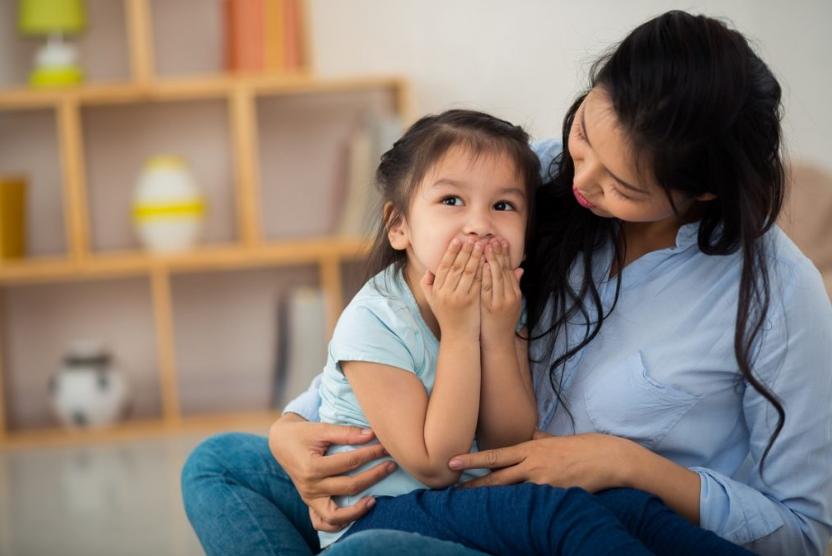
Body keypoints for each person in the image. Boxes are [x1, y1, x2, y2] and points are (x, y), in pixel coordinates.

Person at [181, 10, 832, 556]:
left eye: (621, 185)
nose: (580, 183)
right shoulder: (528, 180)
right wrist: (298, 429)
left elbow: (807, 533)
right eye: (583, 137)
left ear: (703, 190)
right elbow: (395, 327)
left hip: (569, 517)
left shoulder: (779, 296)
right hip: (450, 485)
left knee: (378, 548)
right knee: (223, 464)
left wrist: (627, 464)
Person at [308, 108, 752, 556]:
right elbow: (437, 465)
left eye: (503, 206)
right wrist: (462, 335)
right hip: (382, 511)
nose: (480, 224)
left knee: (630, 507)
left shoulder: (502, 303)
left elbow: (508, 442)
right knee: (558, 511)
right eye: (451, 201)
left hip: (473, 501)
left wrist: (499, 336)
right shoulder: (374, 321)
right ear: (399, 225)